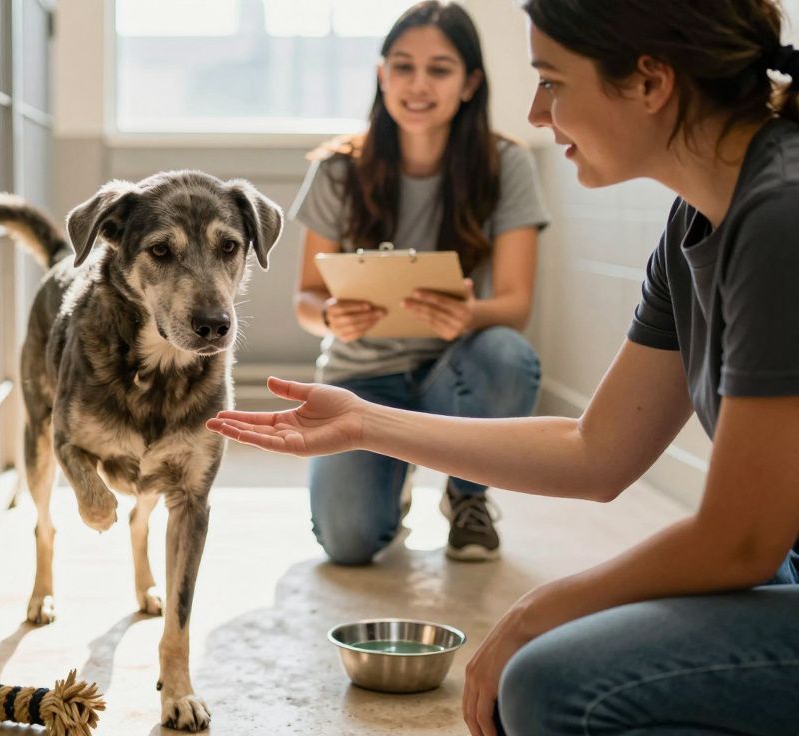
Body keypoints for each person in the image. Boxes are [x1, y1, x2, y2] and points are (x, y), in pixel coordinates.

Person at [213, 0, 799, 733]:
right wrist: (363, 422)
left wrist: (537, 607)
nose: (537, 110)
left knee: (553, 686)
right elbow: (596, 451)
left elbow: (740, 540)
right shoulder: (695, 220)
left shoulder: (781, 215)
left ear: (650, 83)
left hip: (773, 563)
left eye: (552, 80)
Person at [289, 0, 549, 564]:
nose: (418, 84)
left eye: (440, 69)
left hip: (450, 374)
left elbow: (515, 304)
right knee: (347, 543)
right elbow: (307, 301)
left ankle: (467, 492)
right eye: (403, 66)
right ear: (382, 75)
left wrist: (470, 315)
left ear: (470, 82)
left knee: (507, 356)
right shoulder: (337, 168)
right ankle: (393, 479)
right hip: (362, 380)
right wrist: (333, 316)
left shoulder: (507, 165)